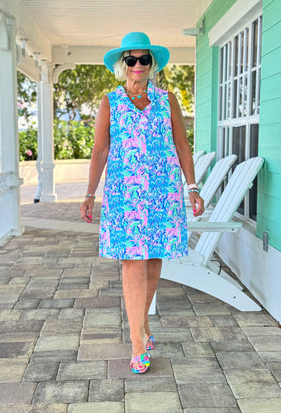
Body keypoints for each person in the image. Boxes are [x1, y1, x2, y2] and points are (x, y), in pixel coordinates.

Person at [80, 32, 204, 374]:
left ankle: (143, 326)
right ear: (123, 65)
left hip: (163, 191)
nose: (137, 65)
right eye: (131, 60)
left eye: (143, 59)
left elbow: (181, 146)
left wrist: (192, 187)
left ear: (152, 64)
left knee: (152, 261)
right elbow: (100, 151)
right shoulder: (111, 102)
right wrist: (90, 193)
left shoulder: (168, 100)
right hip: (126, 195)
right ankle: (137, 338)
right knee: (133, 263)